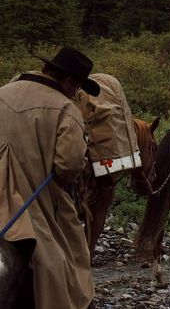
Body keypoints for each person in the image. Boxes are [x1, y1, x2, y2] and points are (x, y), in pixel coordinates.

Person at [0, 46, 98, 309]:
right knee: (67, 256)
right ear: (68, 81)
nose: (75, 93)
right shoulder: (66, 109)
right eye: (76, 87)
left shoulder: (2, 93)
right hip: (31, 199)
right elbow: (68, 166)